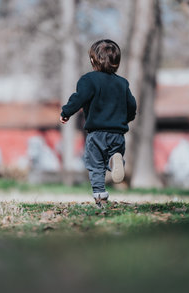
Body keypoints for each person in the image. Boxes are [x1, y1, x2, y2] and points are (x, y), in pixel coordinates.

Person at [60, 39, 137, 208]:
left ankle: (100, 198)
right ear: (117, 63)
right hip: (118, 133)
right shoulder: (122, 83)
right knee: (113, 154)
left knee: (95, 165)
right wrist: (126, 118)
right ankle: (115, 159)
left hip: (97, 133)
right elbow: (132, 105)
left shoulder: (88, 80)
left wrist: (66, 112)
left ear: (93, 61)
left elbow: (78, 99)